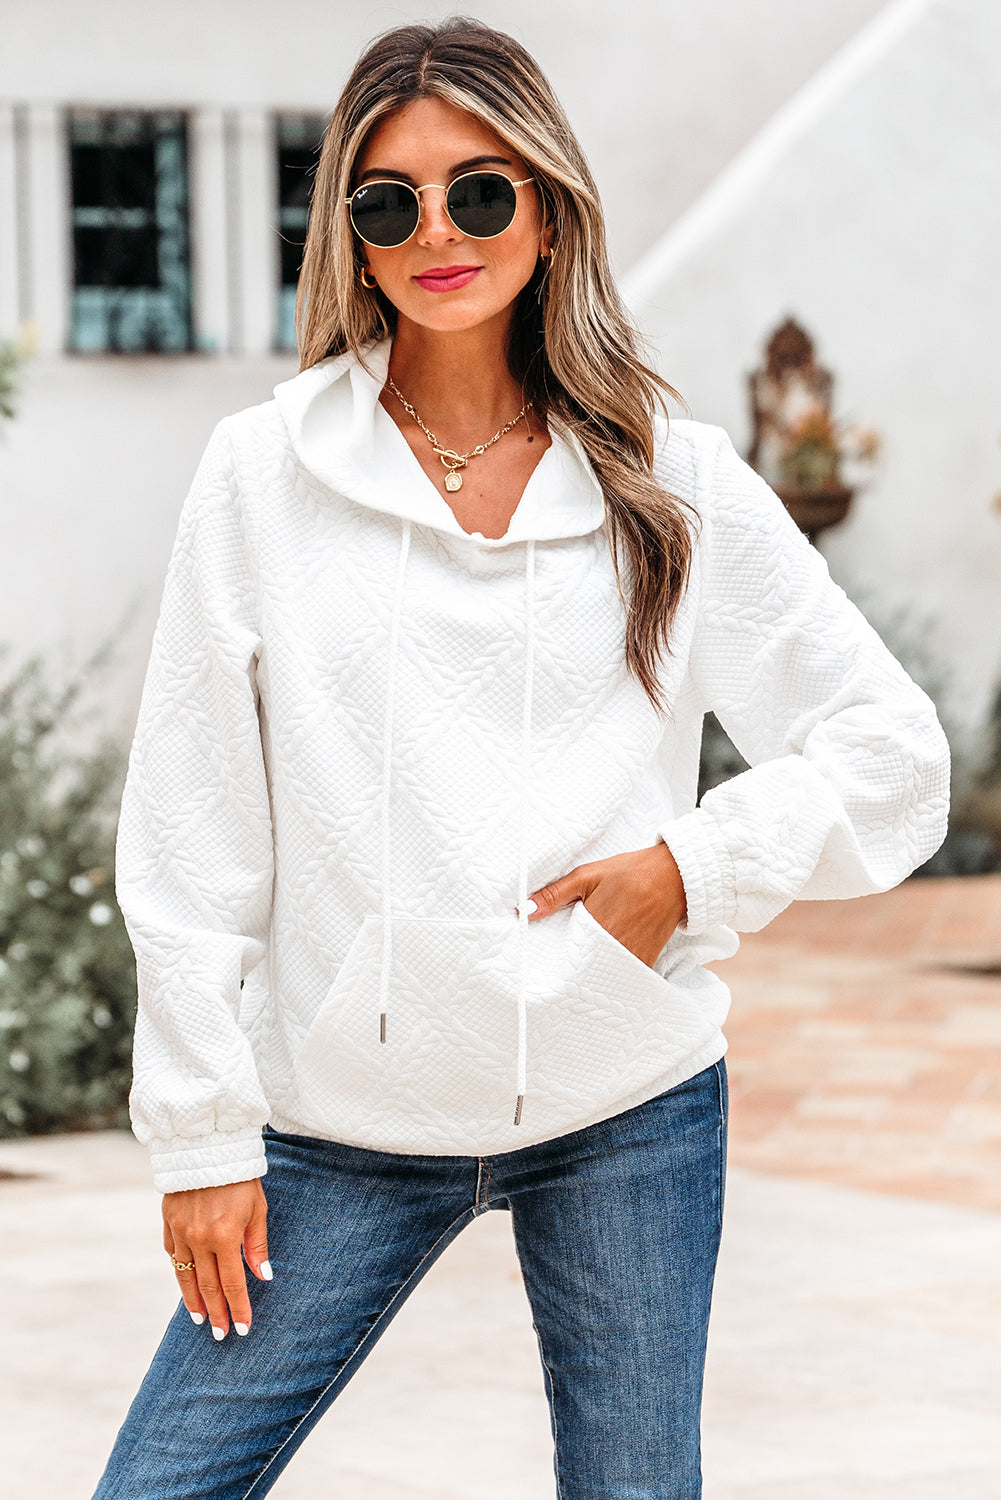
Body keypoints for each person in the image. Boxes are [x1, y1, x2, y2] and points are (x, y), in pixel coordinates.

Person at [92, 16, 950, 1500]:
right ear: (350, 239)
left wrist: (690, 869)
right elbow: (191, 831)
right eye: (389, 202)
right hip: (344, 1121)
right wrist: (201, 1137)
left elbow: (894, 753)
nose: (437, 231)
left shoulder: (668, 476)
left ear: (548, 212)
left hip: (626, 1103)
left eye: (480, 190)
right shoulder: (264, 475)